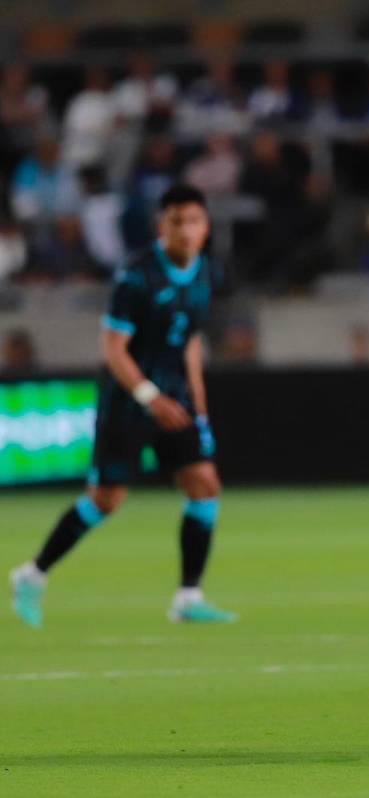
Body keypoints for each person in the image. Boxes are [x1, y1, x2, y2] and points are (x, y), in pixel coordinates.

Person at [10, 184, 234, 629]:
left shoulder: (206, 272)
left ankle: (188, 597)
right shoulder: (136, 274)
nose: (186, 231)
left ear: (206, 227)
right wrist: (149, 396)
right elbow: (114, 348)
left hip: (177, 399)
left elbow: (190, 343)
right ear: (161, 226)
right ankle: (32, 575)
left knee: (204, 485)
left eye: (193, 221)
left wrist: (199, 407)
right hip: (130, 401)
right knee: (107, 500)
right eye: (176, 221)